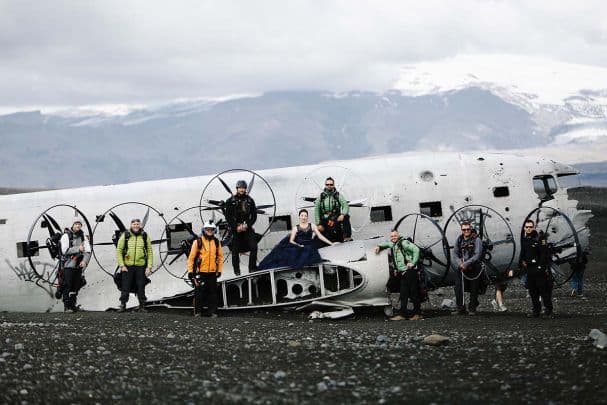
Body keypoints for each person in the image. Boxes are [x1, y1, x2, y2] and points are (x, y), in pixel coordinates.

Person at [258, 209, 335, 270]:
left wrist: (331, 243)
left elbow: (320, 236)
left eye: (305, 216)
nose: (304, 217)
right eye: (302, 215)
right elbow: (291, 240)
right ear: (299, 216)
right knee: (284, 253)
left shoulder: (312, 226)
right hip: (297, 244)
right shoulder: (296, 227)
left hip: (308, 246)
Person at [375, 230, 422, 321]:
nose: (393, 238)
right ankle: (402, 314)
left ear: (398, 235)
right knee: (403, 294)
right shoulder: (393, 244)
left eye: (395, 236)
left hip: (410, 272)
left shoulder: (404, 243)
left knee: (413, 294)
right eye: (392, 236)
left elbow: (416, 250)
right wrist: (379, 246)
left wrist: (413, 262)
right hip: (403, 273)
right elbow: (386, 244)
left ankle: (418, 314)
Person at [116, 218, 153, 312]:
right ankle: (122, 305)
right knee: (126, 286)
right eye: (134, 224)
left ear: (140, 225)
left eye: (137, 224)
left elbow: (149, 252)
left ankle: (142, 305)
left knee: (141, 285)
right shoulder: (126, 235)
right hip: (128, 266)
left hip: (141, 265)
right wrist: (122, 265)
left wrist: (149, 267)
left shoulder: (144, 236)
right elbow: (119, 251)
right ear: (131, 225)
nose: (136, 226)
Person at [187, 221, 223, 317]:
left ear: (214, 231)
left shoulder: (216, 242)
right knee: (199, 292)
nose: (209, 231)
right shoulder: (198, 242)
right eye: (207, 229)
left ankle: (213, 312)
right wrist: (191, 272)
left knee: (213, 293)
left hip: (212, 272)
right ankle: (198, 312)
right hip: (201, 272)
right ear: (204, 230)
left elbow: (220, 257)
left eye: (211, 230)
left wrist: (219, 270)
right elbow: (191, 258)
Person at [519, 219, 554, 318]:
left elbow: (544, 254)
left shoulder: (539, 238)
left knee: (544, 291)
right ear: (524, 228)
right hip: (529, 269)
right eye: (527, 227)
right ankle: (536, 311)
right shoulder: (524, 239)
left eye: (530, 227)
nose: (528, 229)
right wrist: (521, 262)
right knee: (533, 291)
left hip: (538, 269)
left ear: (534, 227)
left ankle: (549, 311)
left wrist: (540, 267)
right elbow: (523, 252)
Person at [225, 180, 258, 276]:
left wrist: (247, 225)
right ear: (237, 188)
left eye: (243, 188)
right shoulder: (230, 201)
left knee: (254, 246)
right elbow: (228, 217)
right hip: (235, 229)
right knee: (234, 250)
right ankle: (237, 270)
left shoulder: (250, 201)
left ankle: (252, 268)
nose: (242, 189)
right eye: (240, 188)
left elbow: (254, 216)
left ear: (245, 189)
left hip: (247, 227)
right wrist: (236, 227)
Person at [59, 218, 91, 312]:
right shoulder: (66, 236)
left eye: (79, 224)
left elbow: (88, 251)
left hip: (78, 265)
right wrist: (78, 249)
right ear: (72, 225)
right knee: (67, 285)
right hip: (68, 265)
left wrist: (85, 261)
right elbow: (64, 250)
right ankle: (67, 306)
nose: (78, 226)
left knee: (76, 286)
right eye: (76, 224)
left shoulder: (83, 236)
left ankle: (73, 305)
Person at [452, 221, 484, 315]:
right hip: (461, 267)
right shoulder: (459, 239)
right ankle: (460, 308)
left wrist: (466, 264)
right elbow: (455, 253)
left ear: (471, 229)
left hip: (474, 267)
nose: (466, 231)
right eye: (464, 229)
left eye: (468, 229)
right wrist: (460, 264)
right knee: (458, 287)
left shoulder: (476, 240)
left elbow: (477, 255)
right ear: (461, 230)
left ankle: (472, 308)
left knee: (474, 288)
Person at [314, 177, 352, 243]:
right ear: (325, 185)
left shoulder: (338, 195)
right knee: (318, 238)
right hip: (325, 221)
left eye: (331, 184)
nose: (329, 186)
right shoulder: (321, 197)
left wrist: (342, 214)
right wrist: (318, 224)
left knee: (346, 216)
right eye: (327, 184)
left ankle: (347, 237)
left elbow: (345, 205)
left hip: (336, 219)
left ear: (333, 185)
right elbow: (316, 210)